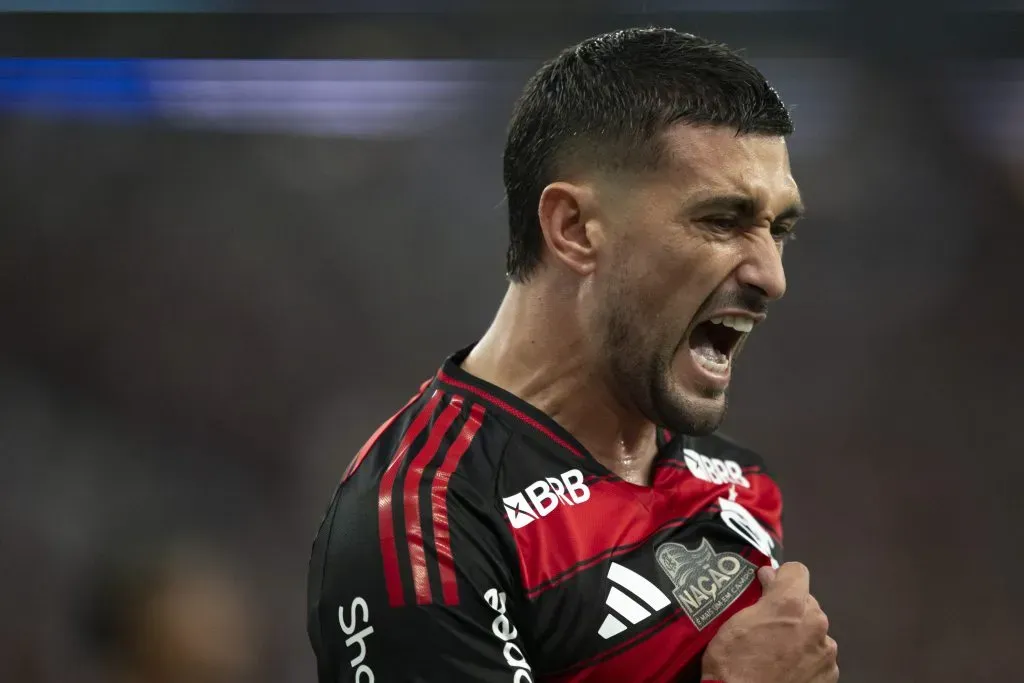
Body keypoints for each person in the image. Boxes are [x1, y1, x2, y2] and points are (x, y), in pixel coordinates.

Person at [307, 27, 837, 683]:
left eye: (778, 229)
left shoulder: (738, 480)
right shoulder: (427, 524)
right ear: (574, 228)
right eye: (722, 220)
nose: (771, 276)